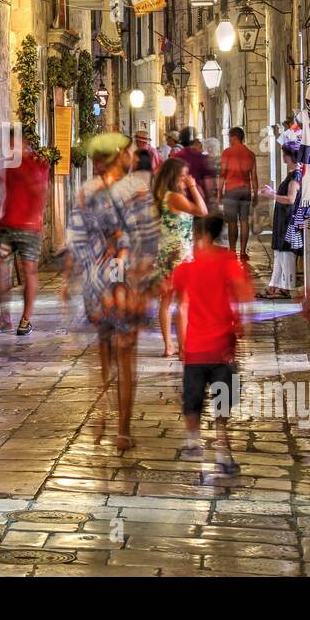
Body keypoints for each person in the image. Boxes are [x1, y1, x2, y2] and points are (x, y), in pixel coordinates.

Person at [66, 132, 159, 451]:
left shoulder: (86, 192)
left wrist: (85, 271)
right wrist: (146, 280)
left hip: (96, 286)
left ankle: (101, 408)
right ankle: (123, 430)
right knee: (127, 354)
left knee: (103, 349)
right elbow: (149, 240)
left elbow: (75, 241)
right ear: (120, 154)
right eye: (128, 152)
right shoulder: (137, 190)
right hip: (127, 284)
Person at [170, 213, 254, 474]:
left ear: (198, 234)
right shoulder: (227, 260)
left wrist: (181, 343)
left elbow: (181, 308)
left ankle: (193, 441)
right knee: (223, 400)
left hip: (195, 348)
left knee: (192, 399)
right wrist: (243, 324)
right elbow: (243, 292)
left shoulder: (186, 269)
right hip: (222, 347)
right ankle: (222, 449)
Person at [0, 129, 50, 336]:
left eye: (14, 145)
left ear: (24, 144)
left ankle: (24, 319)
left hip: (26, 229)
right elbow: (2, 189)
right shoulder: (14, 164)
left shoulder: (32, 164)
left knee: (28, 272)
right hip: (9, 227)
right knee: (2, 271)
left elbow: (39, 190)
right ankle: (7, 318)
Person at [149, 158, 209, 357]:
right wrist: (193, 187)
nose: (186, 178)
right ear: (174, 176)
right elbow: (202, 211)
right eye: (183, 175)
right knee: (183, 302)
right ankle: (183, 346)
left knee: (166, 301)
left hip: (167, 254)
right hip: (180, 256)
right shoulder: (175, 197)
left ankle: (169, 346)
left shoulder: (164, 196)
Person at [259, 143, 302, 298]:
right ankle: (274, 285)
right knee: (279, 252)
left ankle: (287, 287)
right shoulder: (291, 173)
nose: (283, 157)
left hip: (288, 219)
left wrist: (273, 196)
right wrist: (273, 192)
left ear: (290, 156)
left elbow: (291, 199)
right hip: (283, 217)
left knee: (286, 252)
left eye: (285, 154)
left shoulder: (296, 175)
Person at [219, 127, 259, 262]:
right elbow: (254, 177)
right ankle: (243, 251)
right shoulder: (250, 154)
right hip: (246, 190)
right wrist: (255, 194)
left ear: (234, 137)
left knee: (232, 223)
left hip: (231, 190)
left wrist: (219, 192)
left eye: (230, 137)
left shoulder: (227, 153)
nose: (229, 140)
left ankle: (232, 250)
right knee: (244, 222)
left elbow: (223, 173)